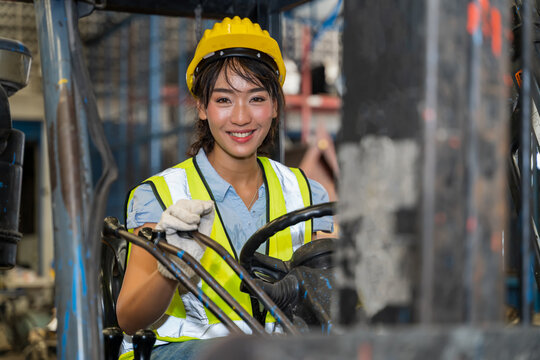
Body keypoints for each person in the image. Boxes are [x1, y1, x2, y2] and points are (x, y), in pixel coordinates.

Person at [115, 16, 333, 360]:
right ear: (202, 107)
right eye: (224, 100)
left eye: (257, 98)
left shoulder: (308, 193)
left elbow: (330, 294)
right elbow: (129, 318)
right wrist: (173, 266)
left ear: (275, 106)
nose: (242, 117)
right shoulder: (159, 195)